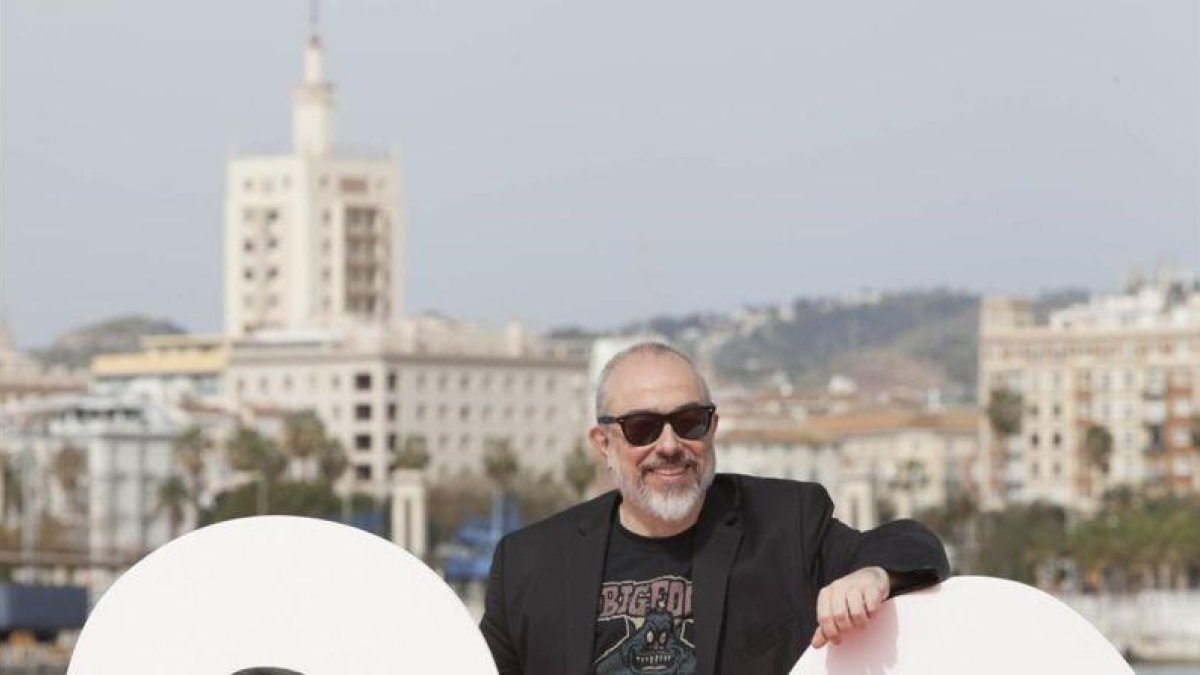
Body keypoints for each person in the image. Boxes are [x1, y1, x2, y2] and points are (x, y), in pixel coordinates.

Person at [481, 342, 949, 674]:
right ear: (603, 444)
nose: (669, 445)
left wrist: (872, 576)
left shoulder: (787, 524)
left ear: (713, 427)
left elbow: (914, 545)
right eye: (643, 427)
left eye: (689, 422)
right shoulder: (528, 563)